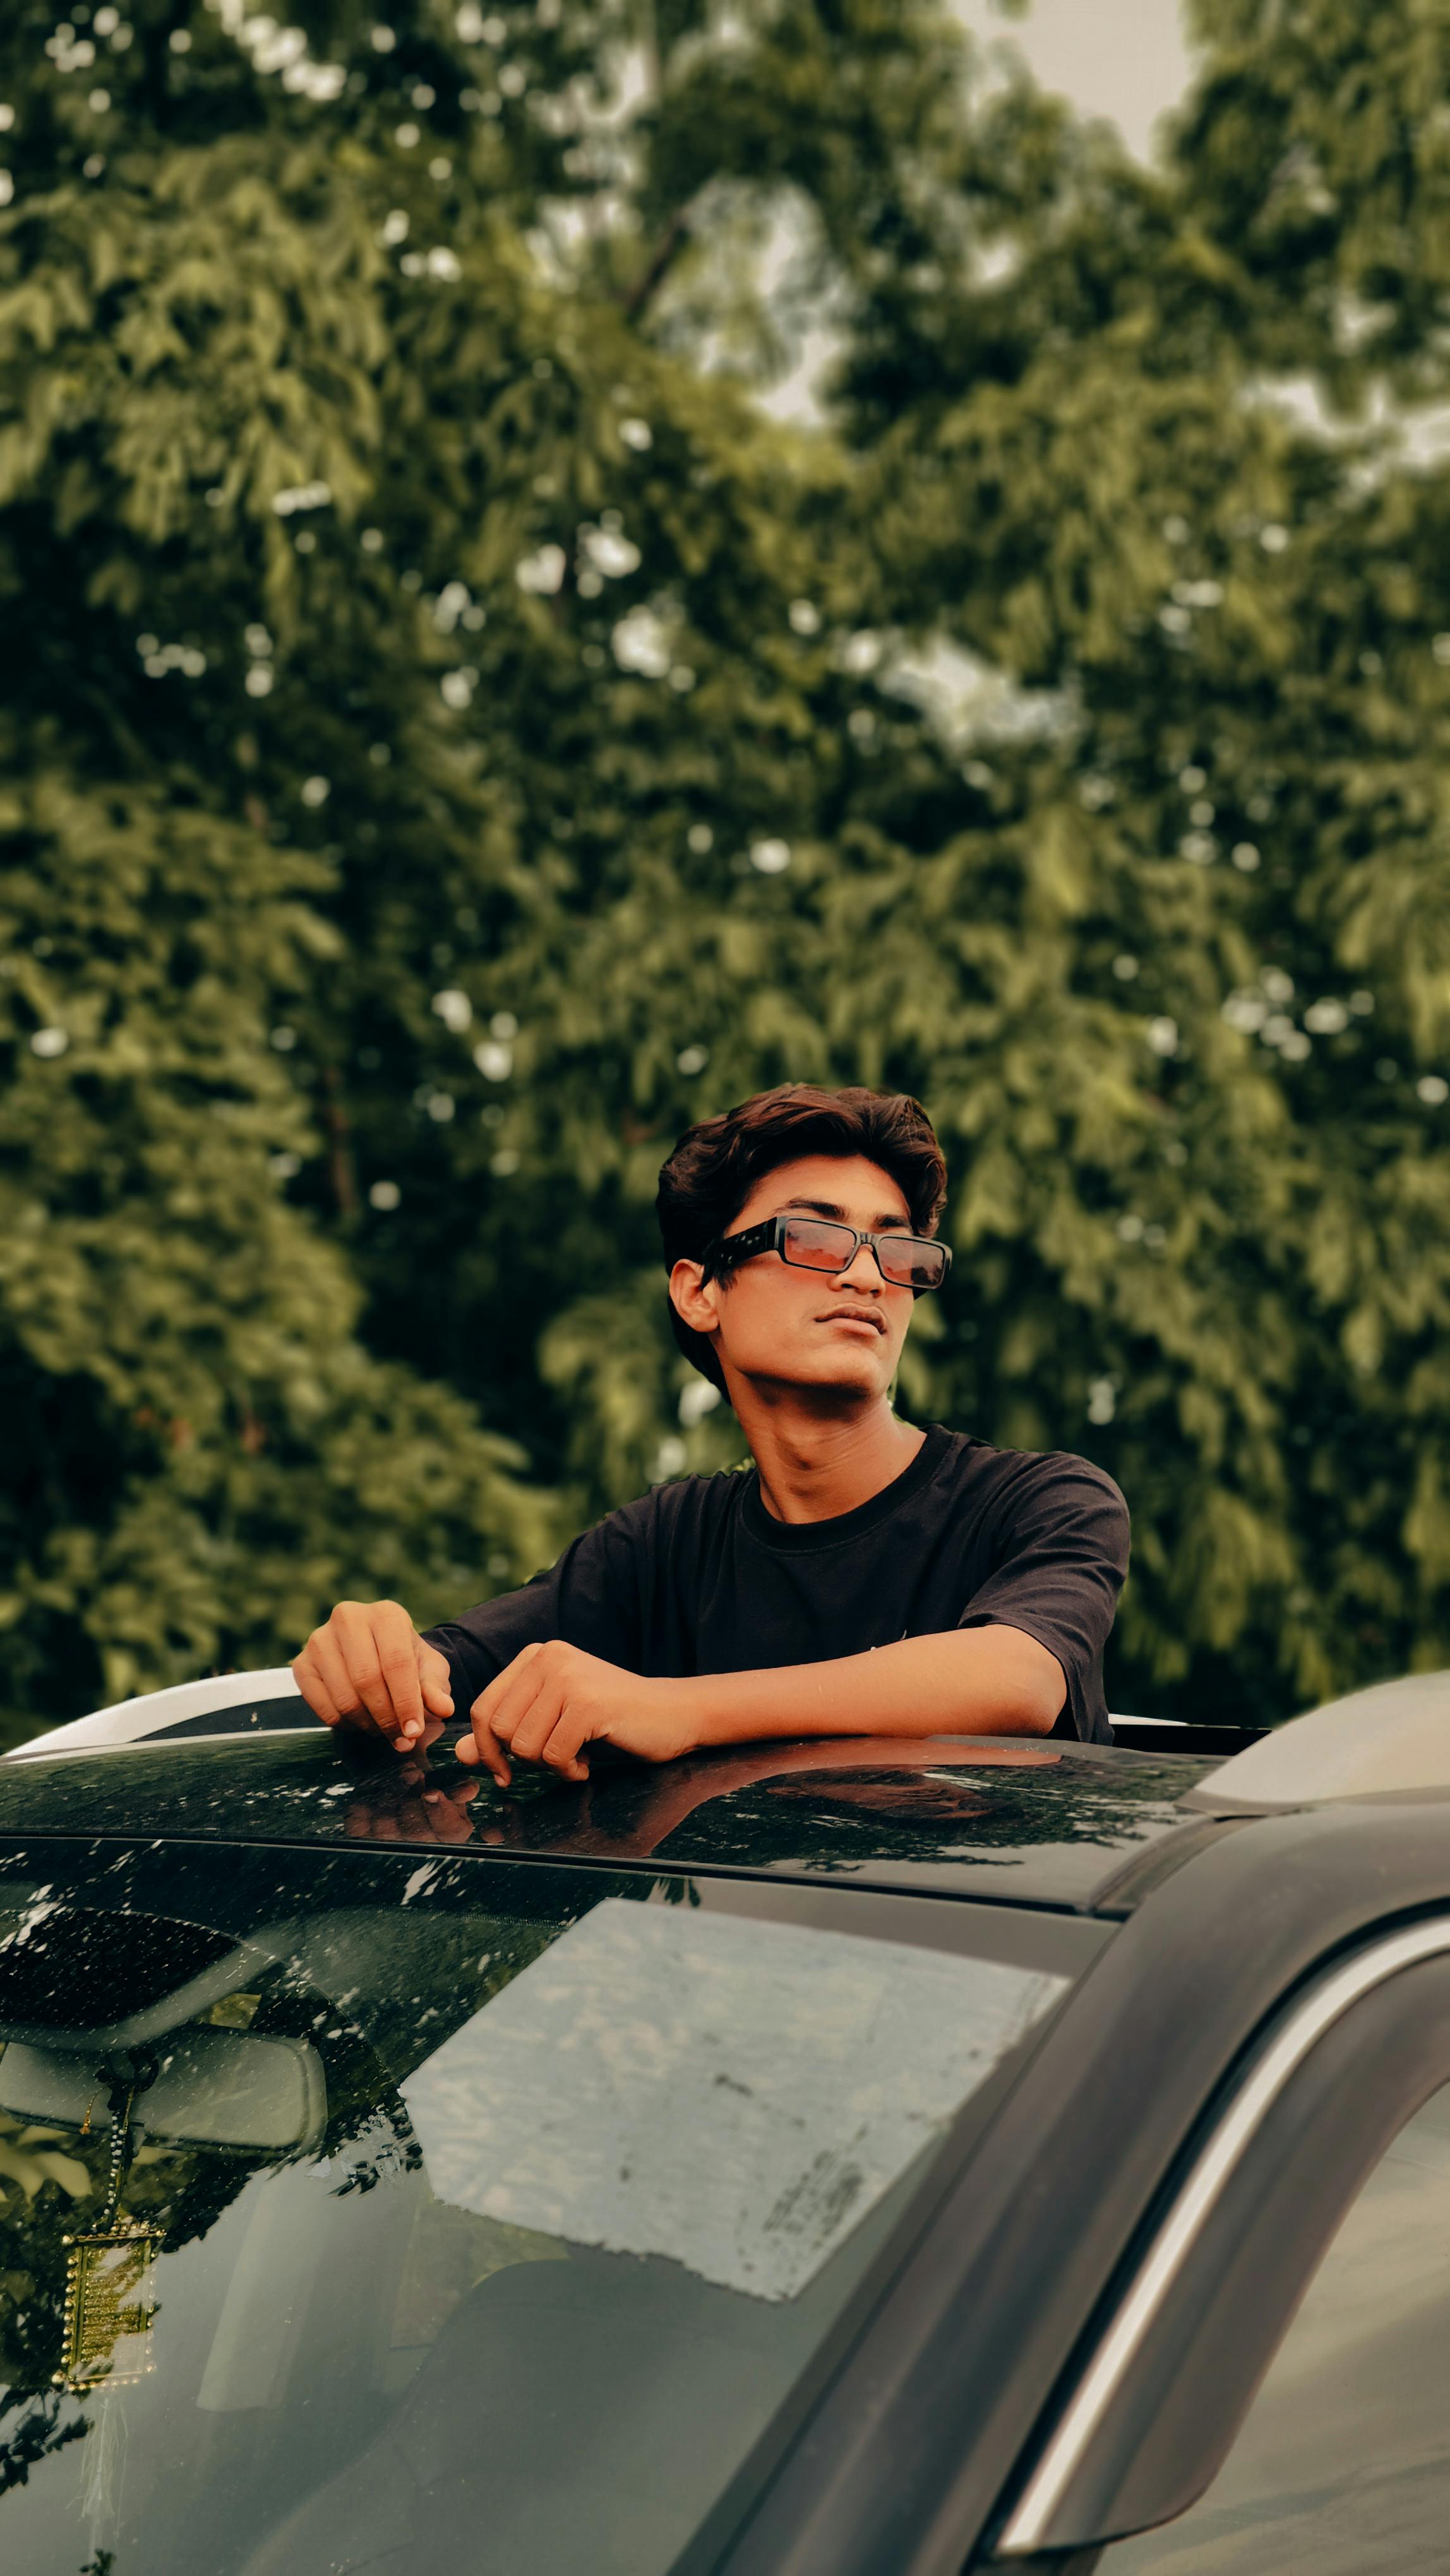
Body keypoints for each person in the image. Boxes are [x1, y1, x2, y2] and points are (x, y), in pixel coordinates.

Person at [293, 1084, 1129, 1786]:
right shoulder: (662, 1547)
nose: (868, 1274)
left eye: (898, 1247)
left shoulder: (1042, 1501)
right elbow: (449, 1670)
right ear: (699, 1293)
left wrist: (675, 1711)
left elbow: (1016, 1679)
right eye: (814, 1235)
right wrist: (378, 1661)